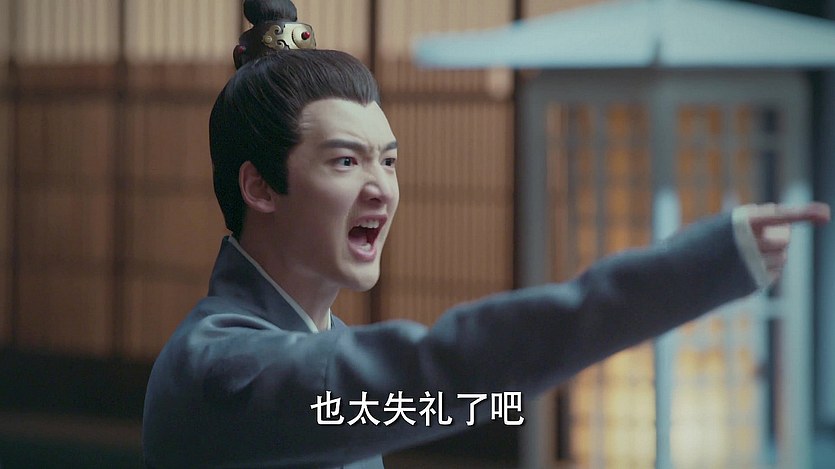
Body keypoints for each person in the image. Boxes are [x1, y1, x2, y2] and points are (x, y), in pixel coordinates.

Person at [141, 0, 831, 467]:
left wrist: (518, 386)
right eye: (345, 161)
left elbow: (456, 389)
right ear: (259, 187)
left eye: (388, 161)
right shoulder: (225, 367)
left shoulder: (321, 343)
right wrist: (698, 268)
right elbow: (443, 368)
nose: (381, 187)